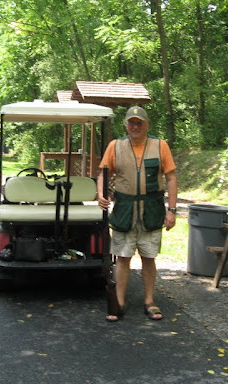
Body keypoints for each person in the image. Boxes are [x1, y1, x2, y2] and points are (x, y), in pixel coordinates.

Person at [96, 106, 177, 322]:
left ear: (146, 124)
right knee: (122, 257)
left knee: (149, 257)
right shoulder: (116, 146)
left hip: (152, 211)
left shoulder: (160, 146)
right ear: (126, 125)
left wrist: (172, 210)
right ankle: (119, 303)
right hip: (124, 211)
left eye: (139, 122)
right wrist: (100, 194)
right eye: (131, 122)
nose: (135, 126)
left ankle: (149, 301)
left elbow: (171, 178)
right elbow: (103, 173)